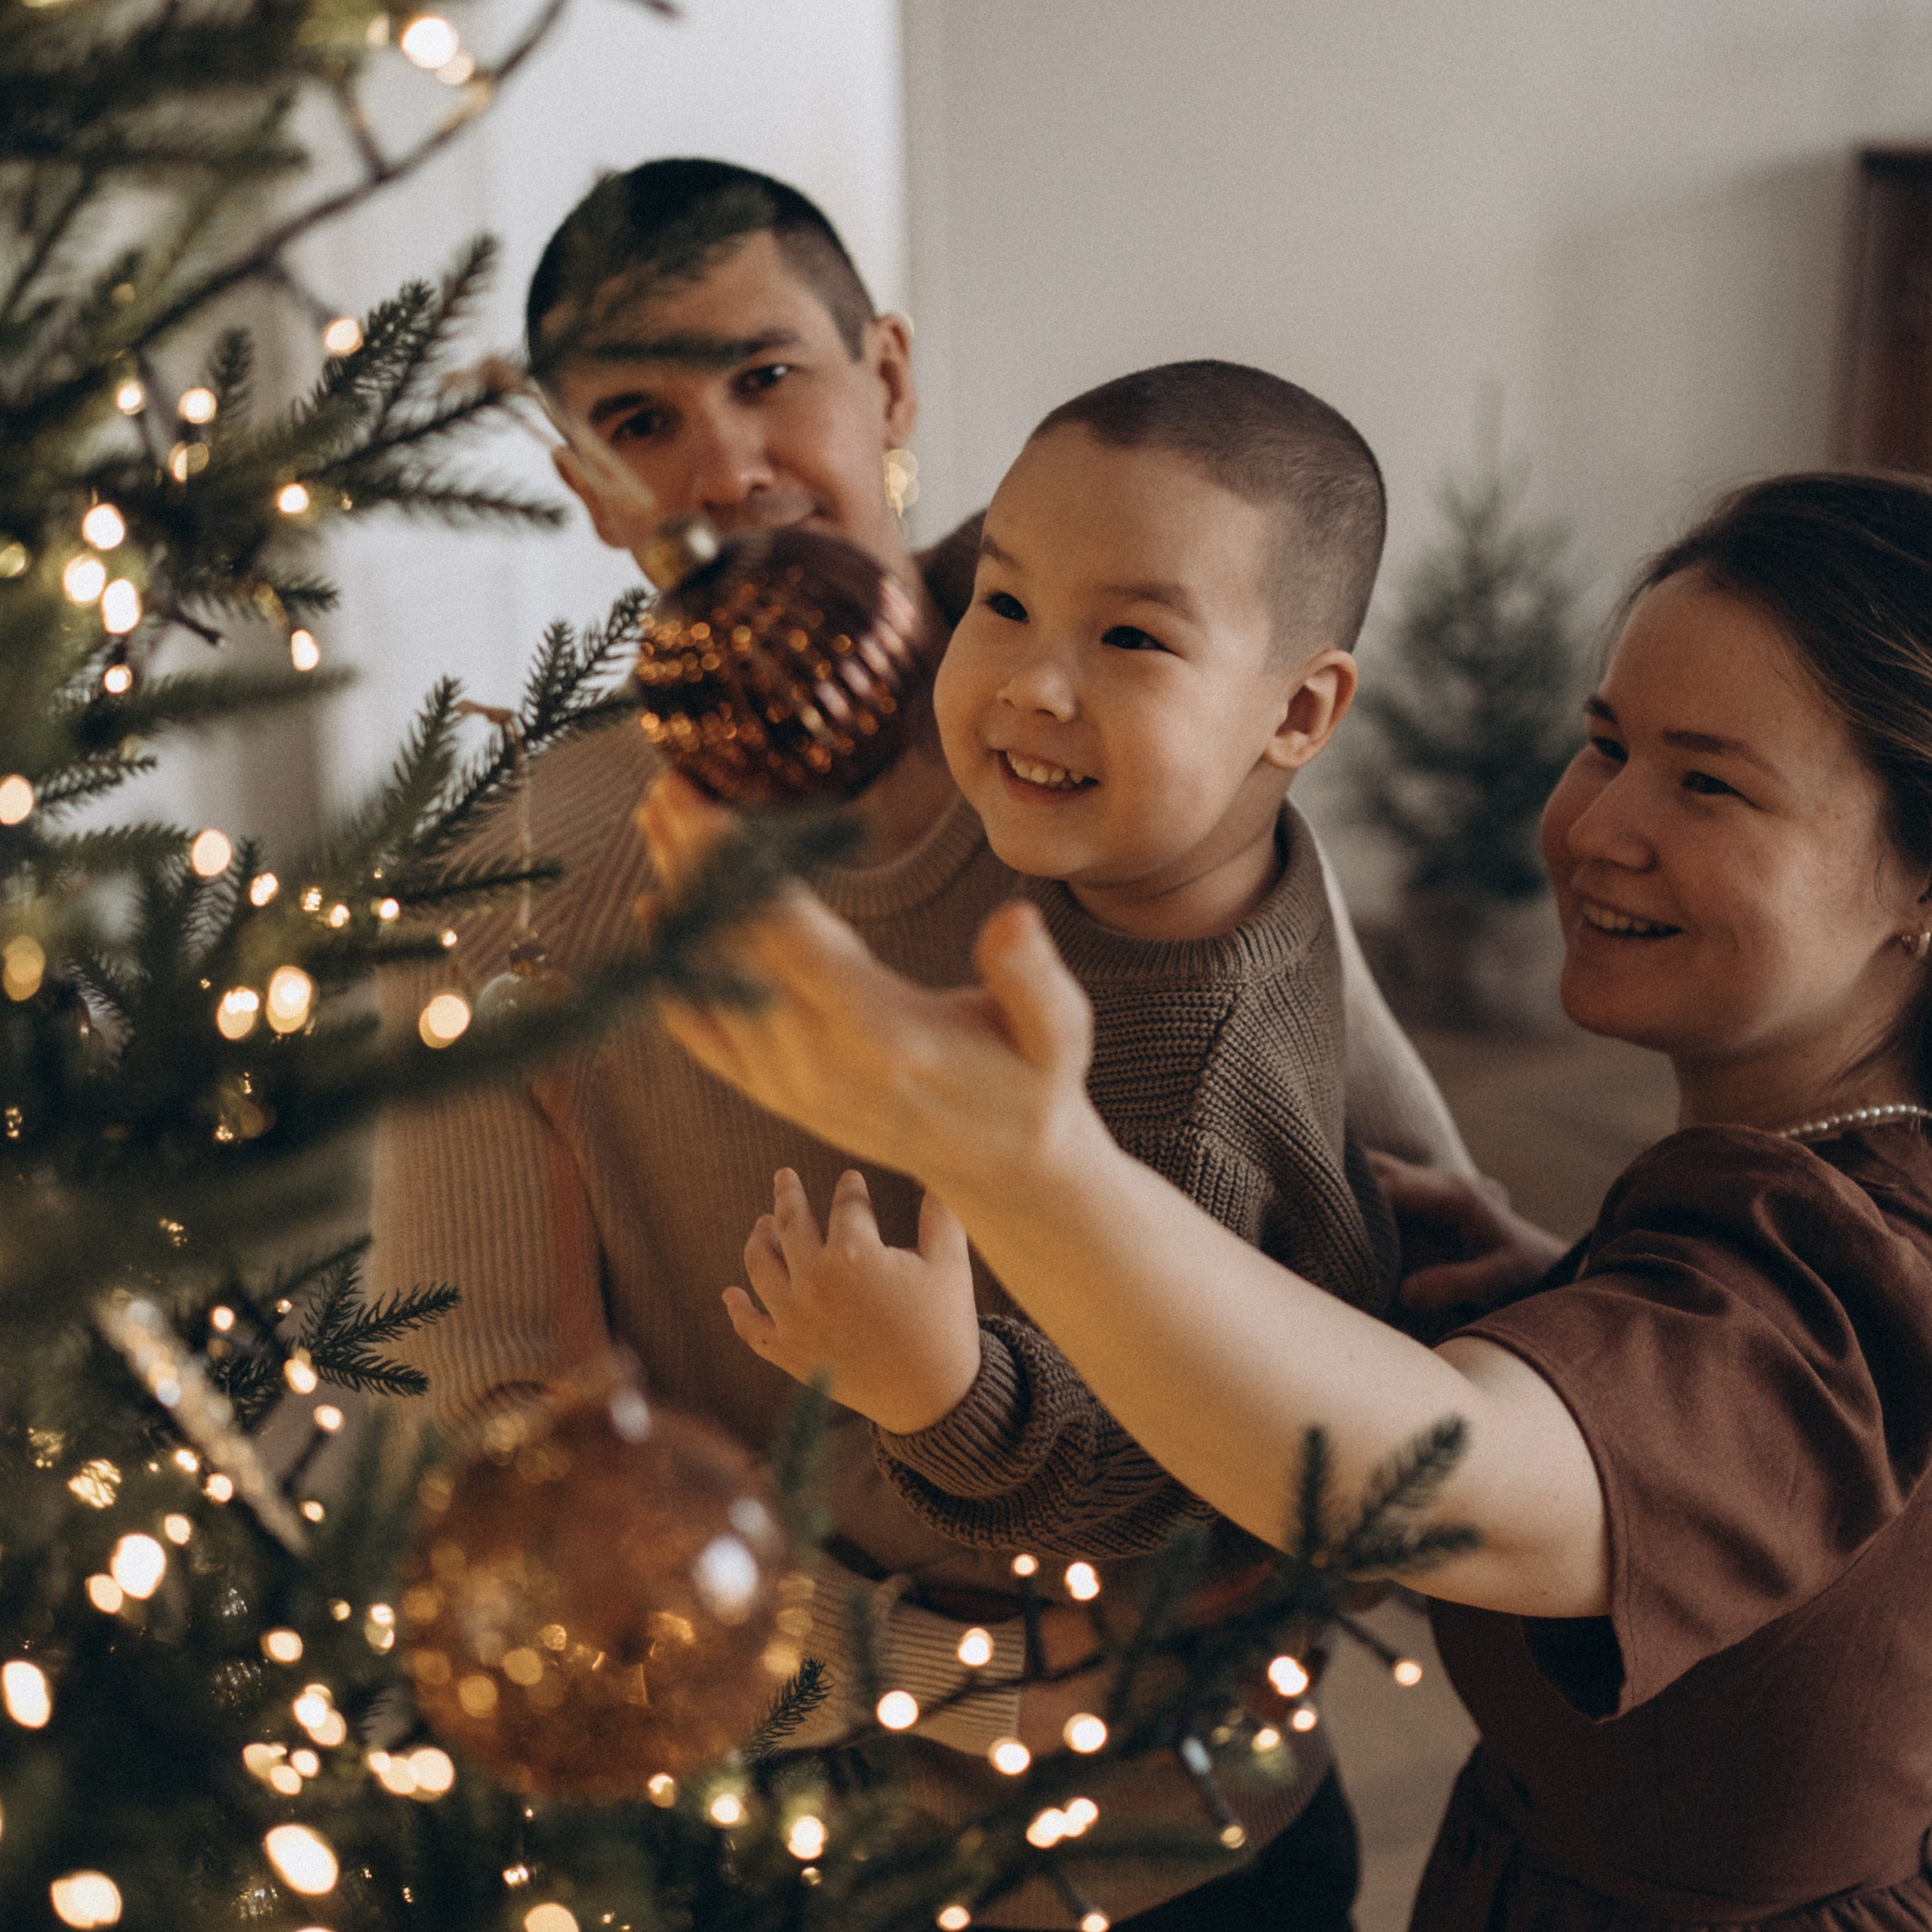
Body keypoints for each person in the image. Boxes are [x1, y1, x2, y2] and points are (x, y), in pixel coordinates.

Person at [371, 156, 1471, 1930]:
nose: (722, 464)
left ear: (884, 377)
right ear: (583, 483)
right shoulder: (529, 866)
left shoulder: (1130, 758)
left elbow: (1409, 1212)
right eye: (641, 417)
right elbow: (492, 1421)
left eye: (765, 376)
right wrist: (919, 1662)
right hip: (835, 1853)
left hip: (1219, 1826)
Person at [644, 471, 1932, 1932]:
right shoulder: (1794, 1177)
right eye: (1604, 742)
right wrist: (1562, 1300)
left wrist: (1014, 1155)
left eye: (1707, 781)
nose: (1595, 827)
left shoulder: (1843, 1265)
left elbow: (1422, 1492)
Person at [724, 359, 1394, 1567]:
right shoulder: (1180, 847)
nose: (1032, 683)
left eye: (1132, 637)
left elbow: (1155, 1466)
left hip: (1098, 1641)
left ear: (1297, 716)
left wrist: (942, 1388)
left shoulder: (1187, 1094)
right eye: (1006, 605)